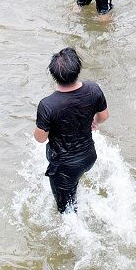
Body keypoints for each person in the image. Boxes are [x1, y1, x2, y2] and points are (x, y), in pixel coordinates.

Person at [34, 47, 109, 214]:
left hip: (64, 166)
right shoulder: (93, 89)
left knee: (66, 212)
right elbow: (104, 115)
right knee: (75, 181)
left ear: (53, 75)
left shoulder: (48, 105)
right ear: (78, 69)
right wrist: (94, 122)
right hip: (89, 156)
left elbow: (40, 138)